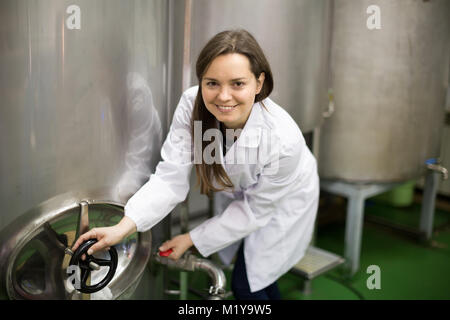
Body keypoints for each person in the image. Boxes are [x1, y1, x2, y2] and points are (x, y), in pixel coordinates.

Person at [72, 29, 319, 300]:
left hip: (285, 202)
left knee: (250, 281)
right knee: (252, 273)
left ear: (259, 83)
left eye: (238, 83)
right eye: (212, 83)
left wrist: (192, 238)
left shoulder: (283, 141)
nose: (224, 97)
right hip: (247, 198)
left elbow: (255, 211)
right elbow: (170, 178)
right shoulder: (192, 106)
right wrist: (123, 227)